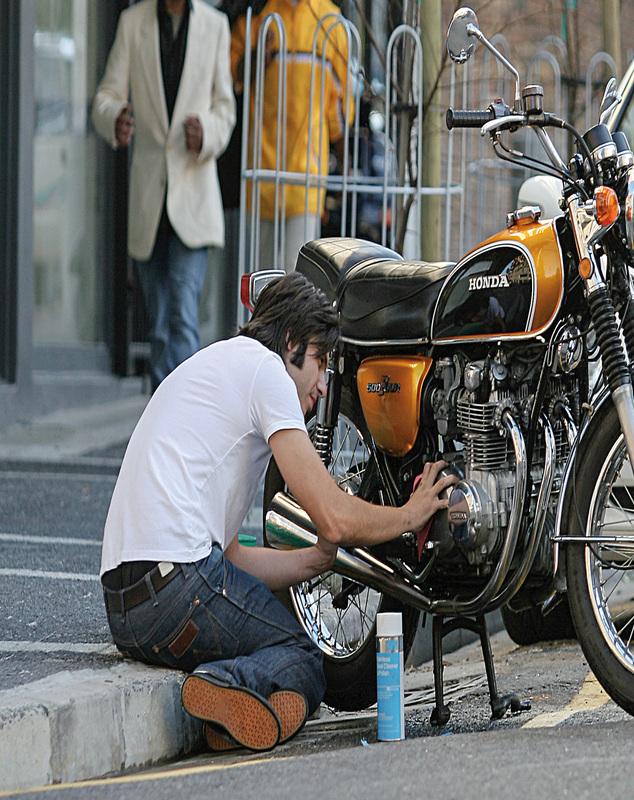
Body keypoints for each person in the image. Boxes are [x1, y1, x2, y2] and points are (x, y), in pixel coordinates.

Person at [100, 272, 456, 752]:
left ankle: (228, 712)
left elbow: (231, 559)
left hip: (128, 613)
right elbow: (333, 516)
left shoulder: (214, 364)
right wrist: (411, 515)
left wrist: (311, 562)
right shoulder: (267, 374)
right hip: (177, 588)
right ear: (290, 343)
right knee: (303, 657)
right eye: (321, 361)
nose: (324, 385)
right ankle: (230, 685)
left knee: (273, 640)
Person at [92, 0, 236, 392]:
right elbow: (106, 96)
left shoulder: (216, 25)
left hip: (193, 201)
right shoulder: (131, 22)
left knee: (182, 316)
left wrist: (205, 131)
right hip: (149, 202)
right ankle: (161, 426)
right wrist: (115, 118)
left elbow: (226, 108)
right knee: (157, 329)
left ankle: (189, 423)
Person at [230, 0, 354, 272]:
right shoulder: (257, 17)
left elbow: (339, 104)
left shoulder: (331, 22)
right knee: (262, 281)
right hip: (262, 173)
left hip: (306, 177)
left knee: (295, 274)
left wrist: (345, 160)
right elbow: (231, 77)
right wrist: (257, 58)